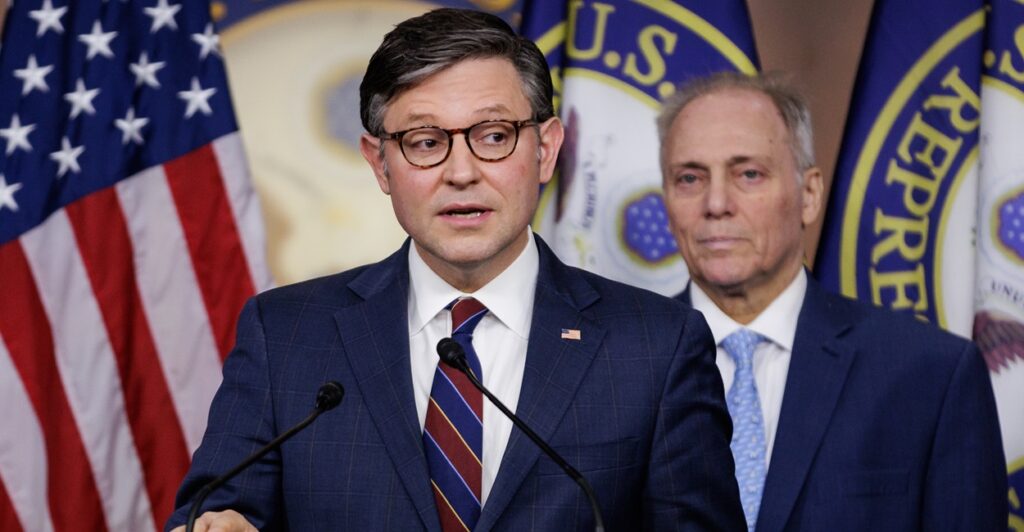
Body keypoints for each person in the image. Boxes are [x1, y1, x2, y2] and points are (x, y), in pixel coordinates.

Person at [166, 9, 745, 531]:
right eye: (425, 142)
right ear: (381, 163)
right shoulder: (288, 335)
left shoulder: (655, 344)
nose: (461, 171)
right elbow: (215, 512)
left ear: (545, 149)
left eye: (493, 136)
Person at [658, 71, 1008, 531]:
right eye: (689, 177)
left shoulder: (931, 375)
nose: (716, 202)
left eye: (748, 174)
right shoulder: (609, 366)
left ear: (809, 194)